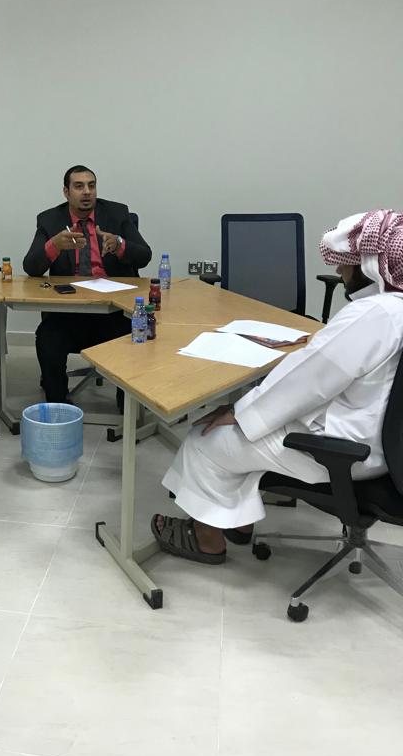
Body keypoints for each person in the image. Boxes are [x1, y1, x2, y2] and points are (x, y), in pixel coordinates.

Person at [152, 209, 403, 565]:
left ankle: (207, 539)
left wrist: (239, 412)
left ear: (369, 266)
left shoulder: (374, 314)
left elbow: (308, 380)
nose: (338, 271)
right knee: (252, 431)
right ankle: (236, 524)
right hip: (385, 448)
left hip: (346, 452)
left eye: (345, 263)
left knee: (205, 439)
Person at [23, 164, 152, 403]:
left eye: (91, 186)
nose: (87, 192)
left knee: (135, 334)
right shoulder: (50, 220)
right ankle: (58, 405)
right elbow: (31, 267)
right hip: (69, 312)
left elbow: (145, 256)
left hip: (113, 310)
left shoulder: (117, 214)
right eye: (79, 186)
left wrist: (120, 244)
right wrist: (54, 246)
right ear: (66, 192)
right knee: (47, 337)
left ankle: (128, 407)